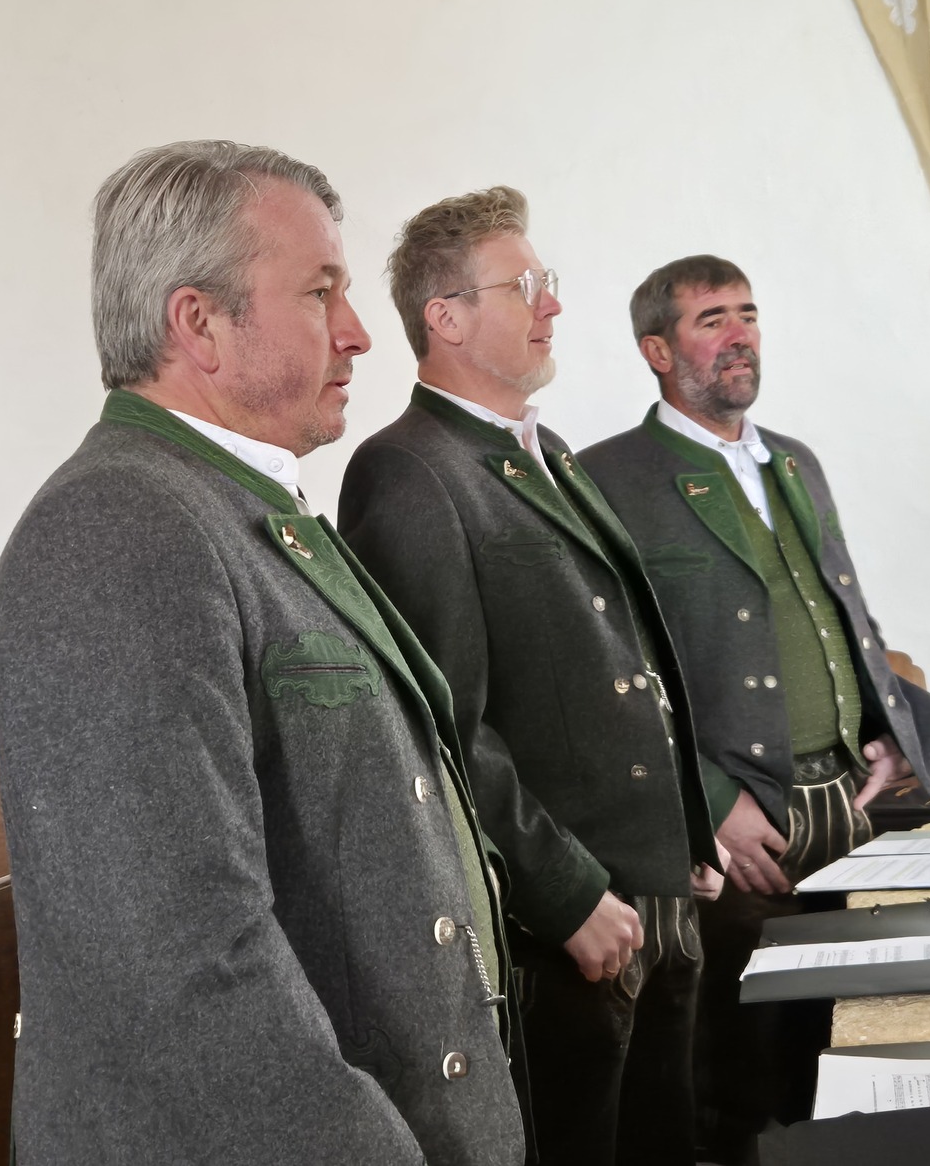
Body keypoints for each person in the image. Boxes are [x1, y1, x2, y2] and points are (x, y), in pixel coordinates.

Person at [0, 141, 524, 1165]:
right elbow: (182, 964)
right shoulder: (117, 528)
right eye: (321, 292)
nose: (359, 332)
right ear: (199, 324)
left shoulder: (239, 508)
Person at [338, 187, 721, 1166]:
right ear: (447, 317)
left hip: (652, 895)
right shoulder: (409, 471)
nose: (552, 303)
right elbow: (443, 726)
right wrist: (567, 897)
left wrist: (686, 834)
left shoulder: (542, 451)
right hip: (570, 924)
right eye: (525, 286)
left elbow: (625, 661)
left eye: (548, 282)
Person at [579, 253, 930, 1162]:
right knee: (743, 1081)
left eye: (747, 315)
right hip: (742, 828)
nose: (739, 335)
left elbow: (845, 611)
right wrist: (710, 805)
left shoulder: (793, 459)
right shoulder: (605, 478)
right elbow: (606, 671)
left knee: (852, 1052)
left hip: (848, 808)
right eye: (712, 320)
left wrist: (888, 728)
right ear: (657, 350)